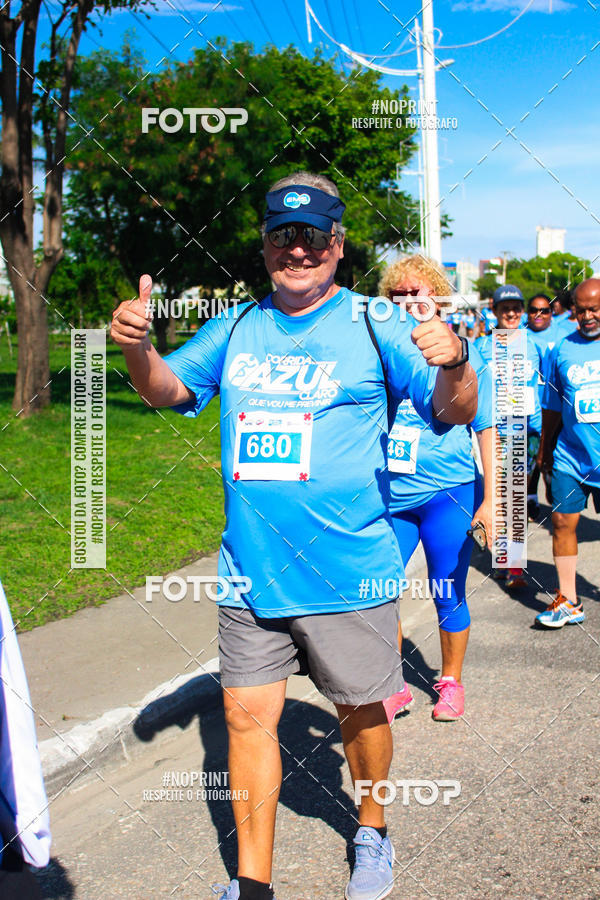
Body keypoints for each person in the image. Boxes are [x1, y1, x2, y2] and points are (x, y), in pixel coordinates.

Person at [110, 172, 478, 900]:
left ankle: (372, 829)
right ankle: (252, 882)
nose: (298, 250)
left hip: (351, 571)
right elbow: (166, 391)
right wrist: (135, 348)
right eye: (284, 235)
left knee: (361, 710)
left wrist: (456, 358)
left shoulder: (374, 323)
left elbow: (454, 410)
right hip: (252, 571)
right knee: (247, 724)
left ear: (338, 245)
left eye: (313, 236)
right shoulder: (238, 327)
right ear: (266, 244)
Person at [378, 256, 493, 723]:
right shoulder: (379, 348)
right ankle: (392, 683)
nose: (407, 301)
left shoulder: (467, 353)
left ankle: (450, 682)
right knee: (378, 592)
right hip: (389, 498)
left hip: (448, 492)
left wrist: (492, 500)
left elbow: (487, 429)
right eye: (397, 295)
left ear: (437, 297)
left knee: (447, 589)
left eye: (416, 292)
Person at [535, 278, 600, 628]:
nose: (588, 316)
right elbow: (552, 407)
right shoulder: (561, 349)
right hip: (571, 457)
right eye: (582, 309)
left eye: (595, 309)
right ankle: (569, 599)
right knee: (561, 522)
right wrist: (544, 450)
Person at [475, 284, 543, 588]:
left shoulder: (534, 346)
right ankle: (506, 560)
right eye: (506, 308)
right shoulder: (479, 347)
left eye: (517, 308)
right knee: (500, 498)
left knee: (514, 498)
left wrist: (540, 433)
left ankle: (509, 562)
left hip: (524, 432)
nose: (512, 313)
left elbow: (540, 391)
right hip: (493, 433)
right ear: (494, 309)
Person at [526, 293, 558, 516]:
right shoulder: (518, 335)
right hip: (527, 412)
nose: (539, 314)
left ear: (551, 313)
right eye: (534, 310)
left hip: (556, 411)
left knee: (550, 458)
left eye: (544, 310)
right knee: (530, 459)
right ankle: (530, 498)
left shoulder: (564, 335)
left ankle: (551, 483)